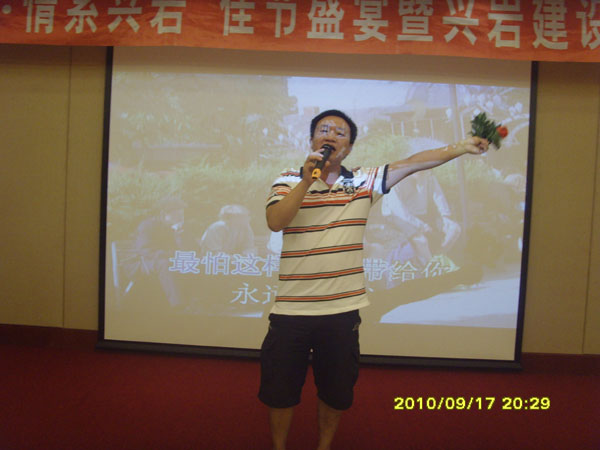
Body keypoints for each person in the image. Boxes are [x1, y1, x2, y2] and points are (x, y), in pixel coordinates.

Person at [259, 109, 488, 450]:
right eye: (324, 130)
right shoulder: (288, 180)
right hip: (291, 310)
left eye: (340, 133)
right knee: (280, 391)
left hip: (342, 311)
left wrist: (461, 147)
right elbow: (276, 221)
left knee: (336, 392)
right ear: (311, 141)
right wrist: (307, 180)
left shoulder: (364, 181)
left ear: (349, 147)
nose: (330, 136)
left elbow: (413, 163)